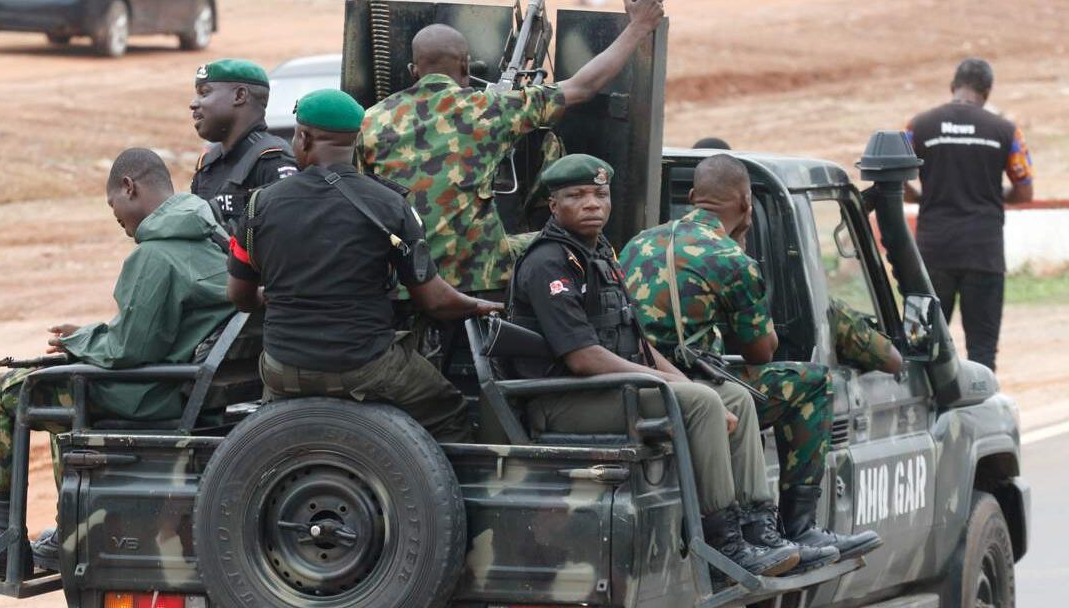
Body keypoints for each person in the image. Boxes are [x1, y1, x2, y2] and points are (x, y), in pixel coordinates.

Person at [509, 153, 802, 578]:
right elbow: (583, 356)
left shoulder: (601, 255)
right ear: (554, 206)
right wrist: (677, 388)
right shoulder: (549, 263)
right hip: (565, 398)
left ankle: (759, 529)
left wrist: (679, 380)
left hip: (610, 389)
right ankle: (724, 542)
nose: (592, 203)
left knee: (733, 394)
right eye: (576, 195)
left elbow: (638, 342)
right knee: (701, 403)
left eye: (600, 194)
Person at [620, 155, 884, 563]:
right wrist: (741, 253)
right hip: (689, 386)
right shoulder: (730, 258)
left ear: (692, 198)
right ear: (746, 203)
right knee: (812, 382)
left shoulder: (640, 242)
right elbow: (760, 351)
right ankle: (798, 528)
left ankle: (757, 529)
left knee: (736, 395)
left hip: (633, 378)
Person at [0, 148, 236, 575]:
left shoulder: (154, 256)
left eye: (113, 206)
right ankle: (66, 527)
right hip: (190, 386)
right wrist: (85, 340)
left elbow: (128, 350)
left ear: (129, 187)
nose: (116, 219)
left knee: (6, 390)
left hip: (154, 394)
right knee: (61, 387)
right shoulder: (214, 239)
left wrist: (79, 342)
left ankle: (2, 535)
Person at [226, 89, 502, 443]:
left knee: (274, 433)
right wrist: (481, 305)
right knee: (449, 409)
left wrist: (272, 296)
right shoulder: (390, 205)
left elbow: (239, 296)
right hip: (366, 367)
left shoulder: (259, 205)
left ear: (304, 137)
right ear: (355, 141)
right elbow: (433, 301)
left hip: (284, 368)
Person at [358, 0, 665, 295]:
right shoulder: (490, 108)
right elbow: (583, 86)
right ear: (466, 65)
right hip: (477, 275)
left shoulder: (369, 121)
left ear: (413, 69)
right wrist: (639, 26)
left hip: (402, 275)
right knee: (573, 234)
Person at [904, 57, 1035, 372]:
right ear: (987, 93)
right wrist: (992, 194)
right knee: (982, 352)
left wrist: (926, 195)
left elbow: (896, 178)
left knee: (921, 351)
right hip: (984, 255)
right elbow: (1025, 190)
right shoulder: (1005, 131)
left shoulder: (919, 126)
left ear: (953, 87)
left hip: (932, 254)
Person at [190, 58, 298, 231]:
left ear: (239, 95)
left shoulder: (273, 161)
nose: (193, 104)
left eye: (205, 93)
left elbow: (285, 240)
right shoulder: (208, 163)